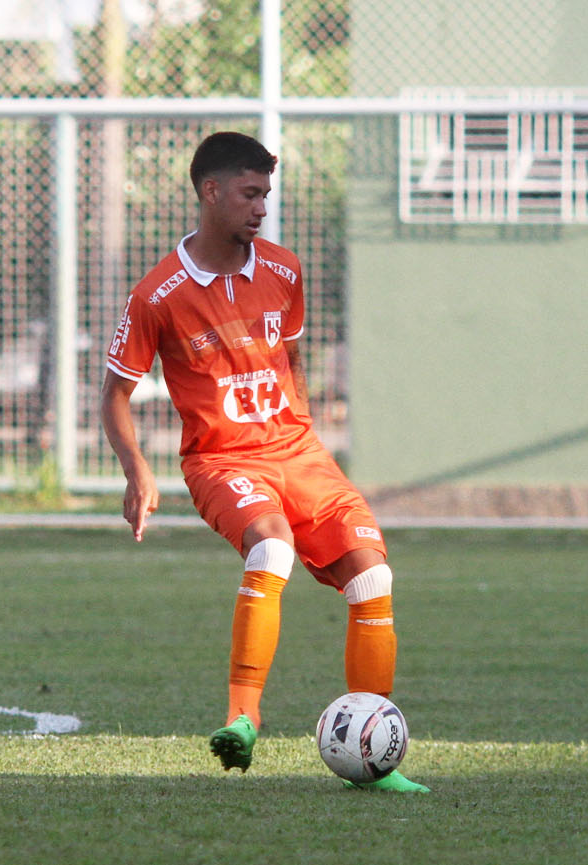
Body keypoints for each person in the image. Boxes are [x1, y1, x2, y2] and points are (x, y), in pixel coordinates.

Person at [101, 131, 428, 792]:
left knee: (373, 576)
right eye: (250, 194)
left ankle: (373, 754)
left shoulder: (283, 268)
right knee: (271, 549)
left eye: (266, 194)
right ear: (210, 191)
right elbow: (114, 393)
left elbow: (294, 358)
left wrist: (302, 426)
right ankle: (243, 720)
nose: (261, 208)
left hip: (299, 453)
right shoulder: (157, 293)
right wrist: (137, 467)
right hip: (223, 459)